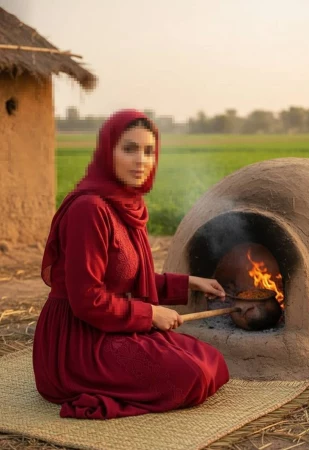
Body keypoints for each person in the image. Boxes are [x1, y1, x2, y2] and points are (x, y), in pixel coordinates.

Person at [33, 109, 230, 420]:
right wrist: (150, 313)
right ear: (107, 151)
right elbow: (87, 301)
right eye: (129, 149)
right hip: (77, 343)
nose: (141, 160)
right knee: (192, 375)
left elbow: (128, 279)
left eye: (149, 151)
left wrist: (190, 282)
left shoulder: (128, 204)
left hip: (111, 327)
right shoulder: (89, 209)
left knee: (212, 361)